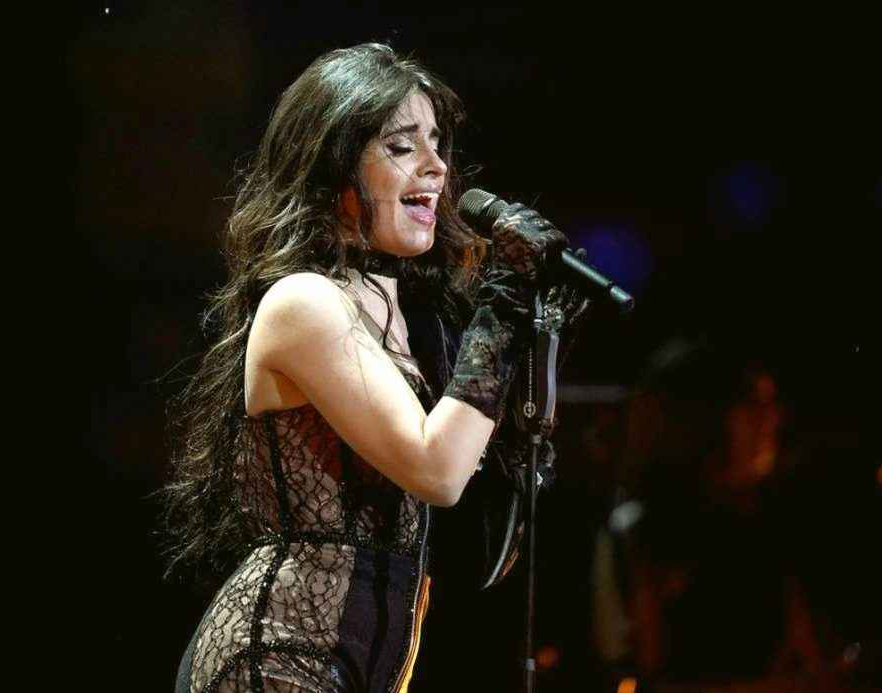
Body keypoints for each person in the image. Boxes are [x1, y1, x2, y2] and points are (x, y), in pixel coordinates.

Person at [161, 43, 573, 692]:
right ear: (333, 165)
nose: (437, 166)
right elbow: (437, 470)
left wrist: (537, 331)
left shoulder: (409, 314)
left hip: (363, 669)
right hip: (280, 658)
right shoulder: (304, 302)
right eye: (402, 146)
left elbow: (474, 497)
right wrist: (503, 305)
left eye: (437, 142)